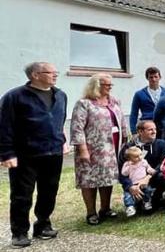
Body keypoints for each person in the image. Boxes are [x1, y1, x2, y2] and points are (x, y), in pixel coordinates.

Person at [0, 62, 67, 248]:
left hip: (53, 152)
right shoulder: (14, 97)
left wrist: (62, 141)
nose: (55, 75)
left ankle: (43, 225)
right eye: (50, 72)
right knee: (22, 195)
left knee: (49, 192)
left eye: (56, 72)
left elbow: (60, 121)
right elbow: (4, 126)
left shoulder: (60, 95)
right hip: (25, 155)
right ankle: (19, 232)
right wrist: (7, 154)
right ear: (35, 75)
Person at [70, 73, 128, 226]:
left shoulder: (114, 101)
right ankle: (91, 212)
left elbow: (122, 121)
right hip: (92, 147)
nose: (110, 87)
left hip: (112, 146)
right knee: (89, 180)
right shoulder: (84, 103)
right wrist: (82, 149)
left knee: (107, 178)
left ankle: (105, 208)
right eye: (106, 84)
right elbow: (77, 128)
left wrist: (125, 140)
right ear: (96, 85)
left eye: (110, 84)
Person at [117, 120, 165, 216]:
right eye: (150, 130)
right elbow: (121, 172)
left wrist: (148, 177)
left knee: (163, 176)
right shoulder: (128, 147)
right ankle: (133, 202)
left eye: (155, 129)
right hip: (134, 181)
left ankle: (156, 199)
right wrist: (130, 186)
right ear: (140, 131)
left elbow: (163, 164)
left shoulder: (161, 144)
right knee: (135, 200)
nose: (154, 132)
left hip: (153, 178)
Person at [129, 66, 165, 134]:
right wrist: (133, 131)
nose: (153, 79)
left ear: (160, 77)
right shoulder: (139, 94)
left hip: (164, 127)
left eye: (156, 77)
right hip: (147, 128)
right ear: (147, 78)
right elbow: (134, 114)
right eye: (151, 77)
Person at [120, 146, 156, 214]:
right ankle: (130, 207)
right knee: (128, 195)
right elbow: (124, 174)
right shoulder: (127, 164)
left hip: (143, 182)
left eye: (140, 155)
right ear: (129, 158)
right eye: (136, 157)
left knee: (147, 191)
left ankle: (146, 202)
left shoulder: (143, 162)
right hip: (133, 183)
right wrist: (128, 166)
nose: (139, 157)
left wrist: (151, 170)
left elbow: (148, 167)